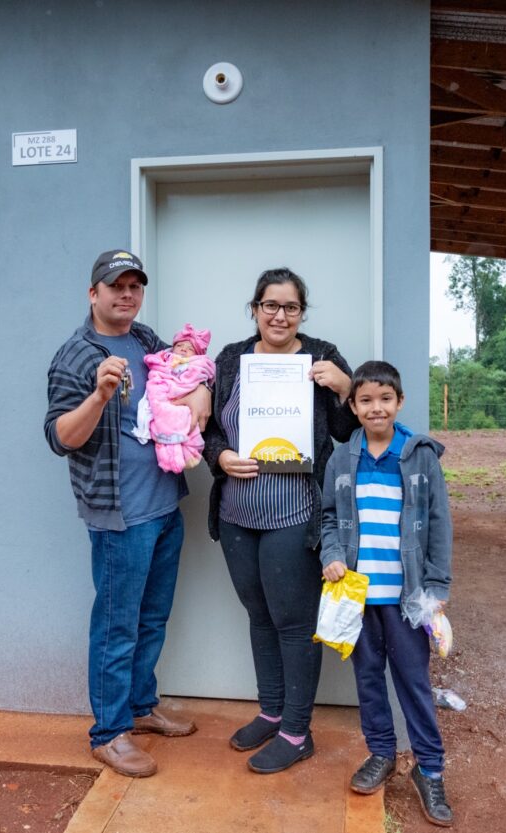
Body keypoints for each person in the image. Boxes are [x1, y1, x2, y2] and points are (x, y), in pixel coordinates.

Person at [44, 249, 211, 778]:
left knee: (152, 618)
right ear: (93, 293)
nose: (126, 295)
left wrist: (202, 389)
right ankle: (108, 733)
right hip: (119, 516)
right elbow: (59, 438)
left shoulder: (144, 339)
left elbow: (185, 371)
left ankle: (140, 708)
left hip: (164, 505)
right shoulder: (75, 355)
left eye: (135, 286)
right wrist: (99, 394)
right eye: (116, 286)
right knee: (117, 626)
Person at [201, 267, 358, 774]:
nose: (279, 315)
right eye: (270, 305)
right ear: (254, 309)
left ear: (301, 313)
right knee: (259, 615)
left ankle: (297, 731)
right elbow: (206, 429)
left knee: (293, 623)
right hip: (237, 515)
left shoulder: (322, 355)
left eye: (290, 307)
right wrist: (220, 458)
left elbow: (344, 429)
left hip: (294, 513)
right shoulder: (230, 359)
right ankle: (271, 711)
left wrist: (344, 387)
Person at [320, 360, 454, 826]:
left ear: (399, 402)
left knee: (414, 683)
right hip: (358, 598)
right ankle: (380, 753)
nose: (376, 408)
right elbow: (328, 518)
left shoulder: (418, 456)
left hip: (406, 598)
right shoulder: (342, 458)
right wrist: (331, 554)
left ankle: (429, 768)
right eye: (365, 400)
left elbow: (438, 523)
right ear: (353, 407)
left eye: (385, 399)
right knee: (369, 679)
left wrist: (435, 587)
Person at [133, 323, 216, 473]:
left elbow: (204, 372)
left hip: (185, 399)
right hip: (164, 395)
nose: (184, 349)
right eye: (180, 345)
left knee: (190, 426)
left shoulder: (198, 362)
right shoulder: (164, 357)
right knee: (162, 423)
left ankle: (190, 452)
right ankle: (168, 458)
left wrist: (202, 386)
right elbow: (157, 371)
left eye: (190, 348)